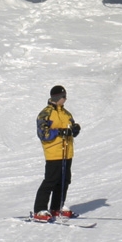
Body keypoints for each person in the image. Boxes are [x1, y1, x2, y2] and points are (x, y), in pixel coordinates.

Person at [32, 85, 81, 221]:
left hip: (67, 152)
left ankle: (56, 207)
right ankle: (40, 209)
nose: (65, 99)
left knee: (64, 180)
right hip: (54, 152)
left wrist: (75, 129)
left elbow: (71, 128)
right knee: (51, 181)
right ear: (57, 97)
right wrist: (60, 132)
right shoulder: (46, 113)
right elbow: (43, 134)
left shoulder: (66, 113)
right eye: (64, 96)